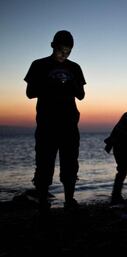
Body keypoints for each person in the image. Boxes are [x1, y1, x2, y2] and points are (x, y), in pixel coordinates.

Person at [24, 30, 86, 212]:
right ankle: (43, 202)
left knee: (70, 163)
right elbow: (29, 93)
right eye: (61, 49)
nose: (64, 54)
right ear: (53, 46)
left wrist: (70, 83)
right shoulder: (38, 65)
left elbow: (81, 95)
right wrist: (50, 84)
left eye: (68, 51)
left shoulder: (75, 68)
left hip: (69, 125)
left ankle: (69, 200)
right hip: (46, 124)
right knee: (44, 163)